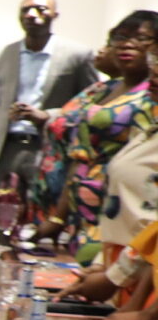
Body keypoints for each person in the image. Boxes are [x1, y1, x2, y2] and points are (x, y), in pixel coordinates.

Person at [33, 13, 158, 238]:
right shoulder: (101, 90)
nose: (127, 44)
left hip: (122, 212)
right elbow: (79, 155)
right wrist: (58, 217)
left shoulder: (152, 95)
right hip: (79, 212)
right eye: (120, 37)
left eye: (141, 38)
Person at [0, 0, 93, 170]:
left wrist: (47, 116)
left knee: (45, 198)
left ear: (55, 15)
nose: (31, 14)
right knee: (0, 198)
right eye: (25, 10)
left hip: (51, 149)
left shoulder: (78, 55)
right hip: (4, 150)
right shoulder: (1, 56)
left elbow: (90, 105)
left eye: (40, 9)